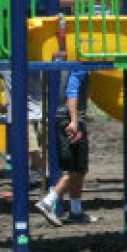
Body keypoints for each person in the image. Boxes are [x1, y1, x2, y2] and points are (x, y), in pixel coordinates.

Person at [34, 66, 97, 226]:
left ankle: (76, 211)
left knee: (79, 168)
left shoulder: (62, 64)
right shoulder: (80, 66)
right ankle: (49, 201)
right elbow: (72, 91)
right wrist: (74, 120)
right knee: (76, 170)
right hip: (71, 119)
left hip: (61, 117)